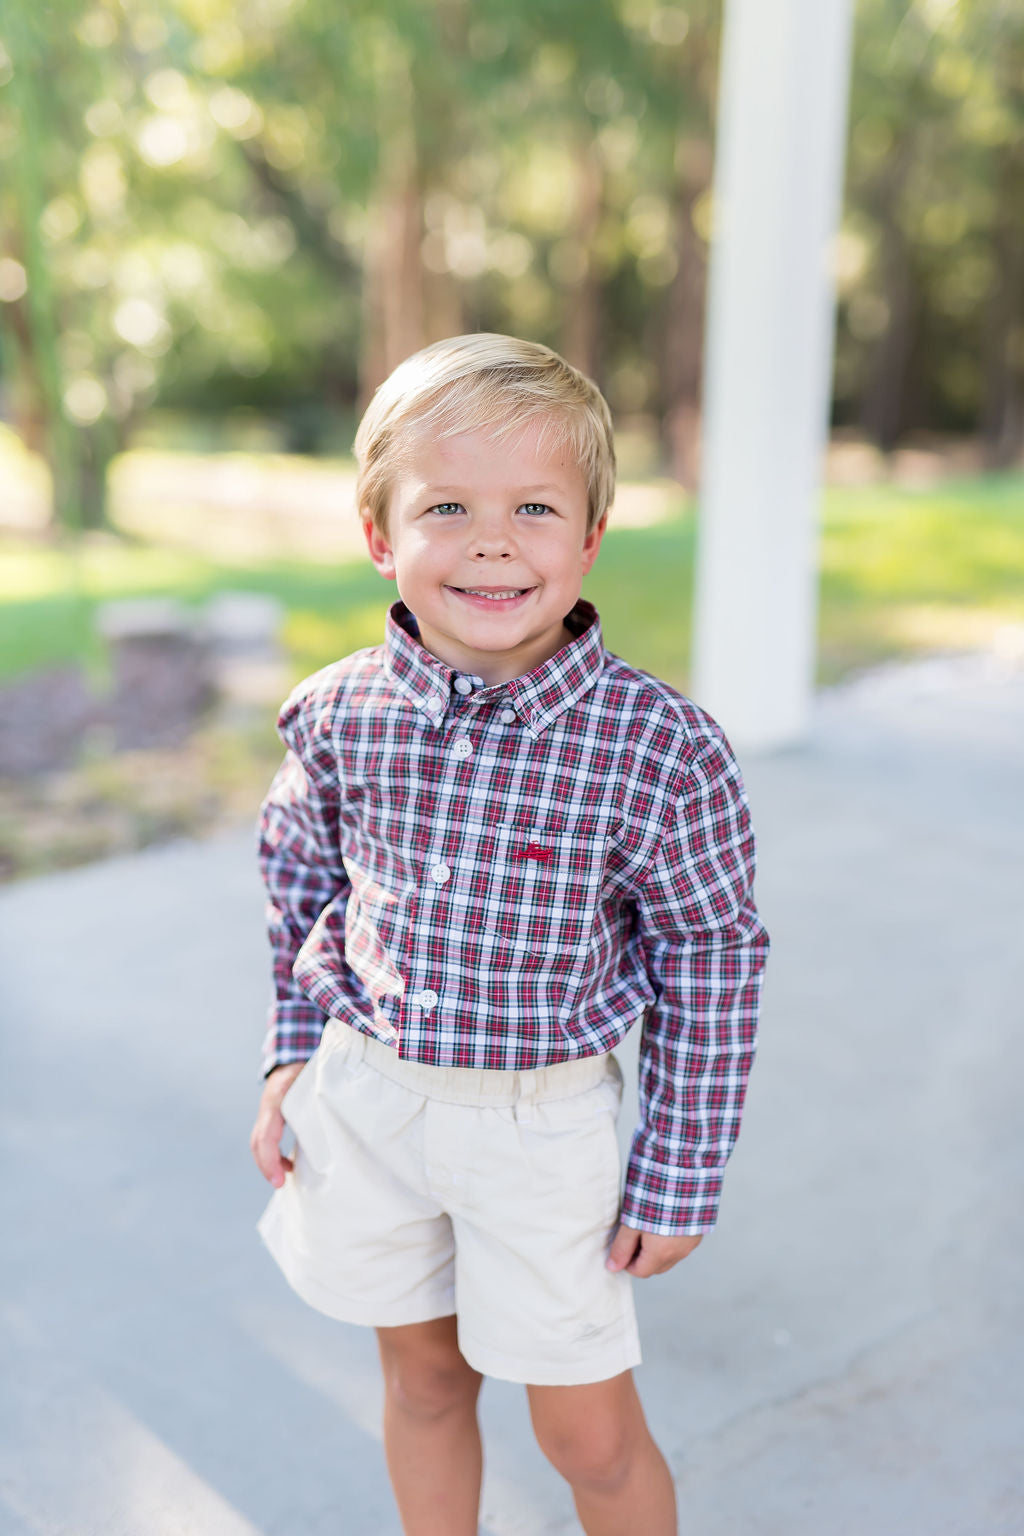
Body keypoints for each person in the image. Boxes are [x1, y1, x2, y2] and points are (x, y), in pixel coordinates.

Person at [249, 333, 769, 1536]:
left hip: (544, 1135)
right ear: (381, 535)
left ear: (590, 537)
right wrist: (290, 1051)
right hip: (370, 1103)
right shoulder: (338, 712)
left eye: (535, 506)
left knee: (583, 1430)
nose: (493, 540)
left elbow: (710, 954)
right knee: (423, 1382)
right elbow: (297, 876)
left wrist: (680, 1168)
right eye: (448, 507)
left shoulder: (658, 749)